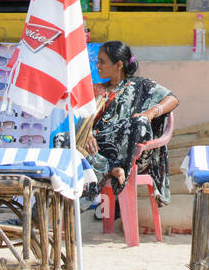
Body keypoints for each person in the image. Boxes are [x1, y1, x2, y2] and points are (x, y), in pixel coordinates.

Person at [64, 41, 179, 217]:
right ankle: (109, 169)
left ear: (118, 64)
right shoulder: (98, 90)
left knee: (139, 123)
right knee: (63, 139)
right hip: (99, 152)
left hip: (133, 153)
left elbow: (172, 99)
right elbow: (85, 121)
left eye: (102, 61)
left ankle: (118, 170)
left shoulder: (141, 85)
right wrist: (86, 133)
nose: (98, 66)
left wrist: (150, 113)